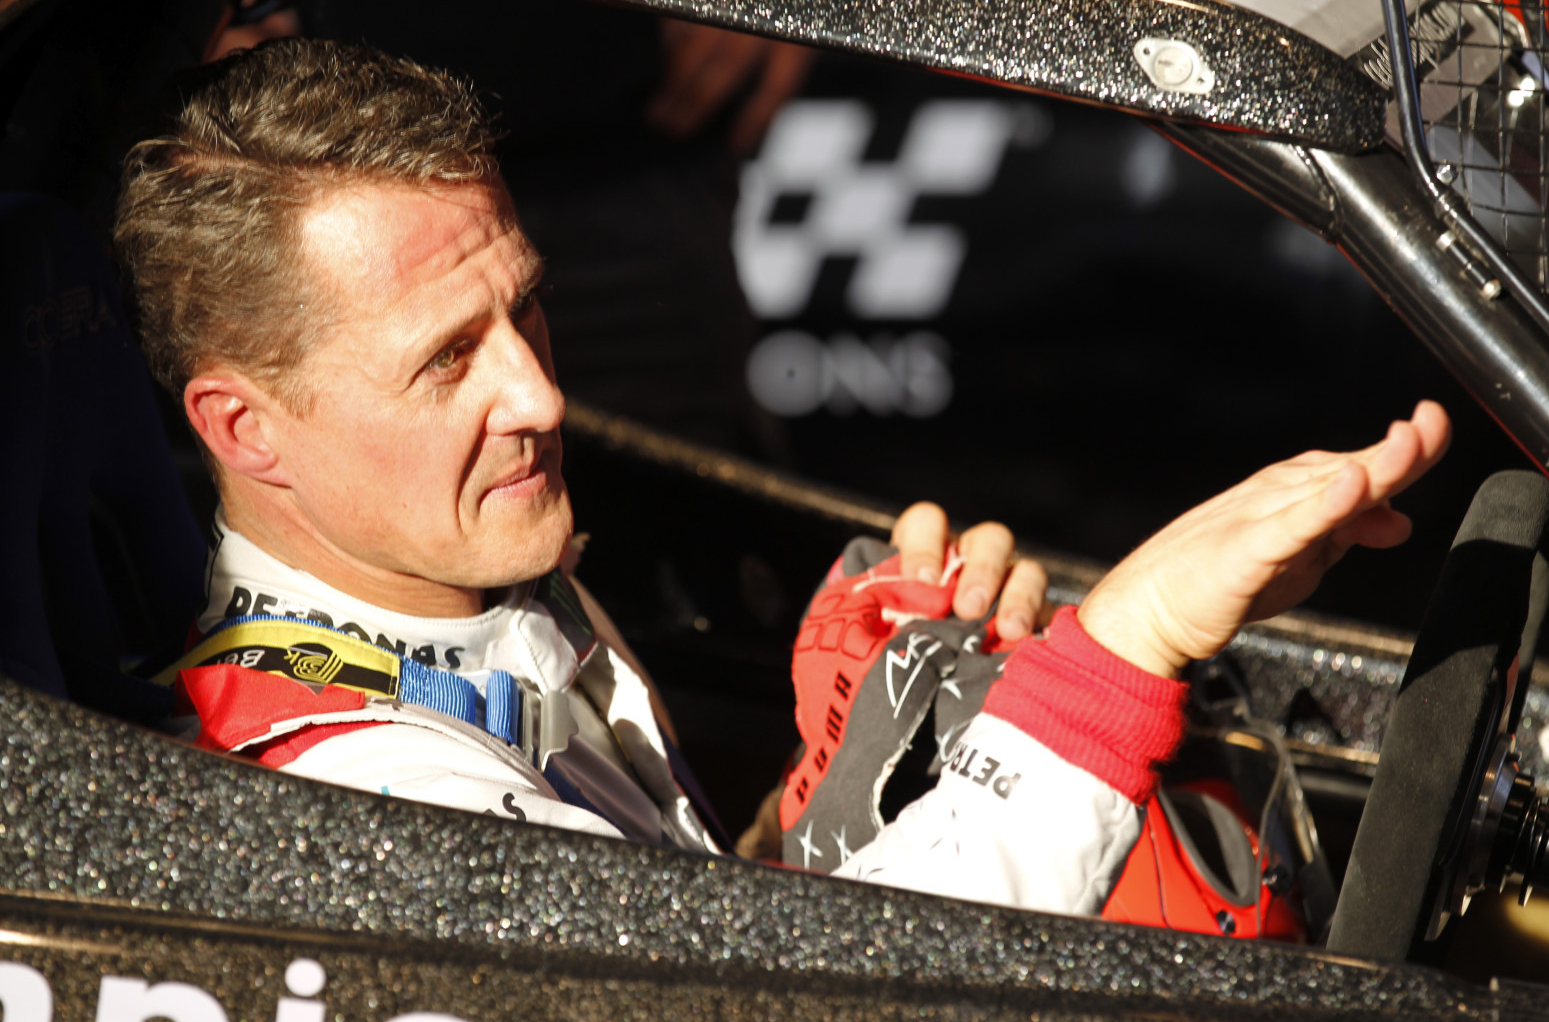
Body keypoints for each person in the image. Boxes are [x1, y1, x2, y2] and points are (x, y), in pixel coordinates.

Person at [113, 38, 1451, 916]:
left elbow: (665, 935)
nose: (538, 394)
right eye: (447, 358)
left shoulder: (448, 590)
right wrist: (1116, 653)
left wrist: (830, 796)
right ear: (246, 428)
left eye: (525, 310)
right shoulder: (365, 808)